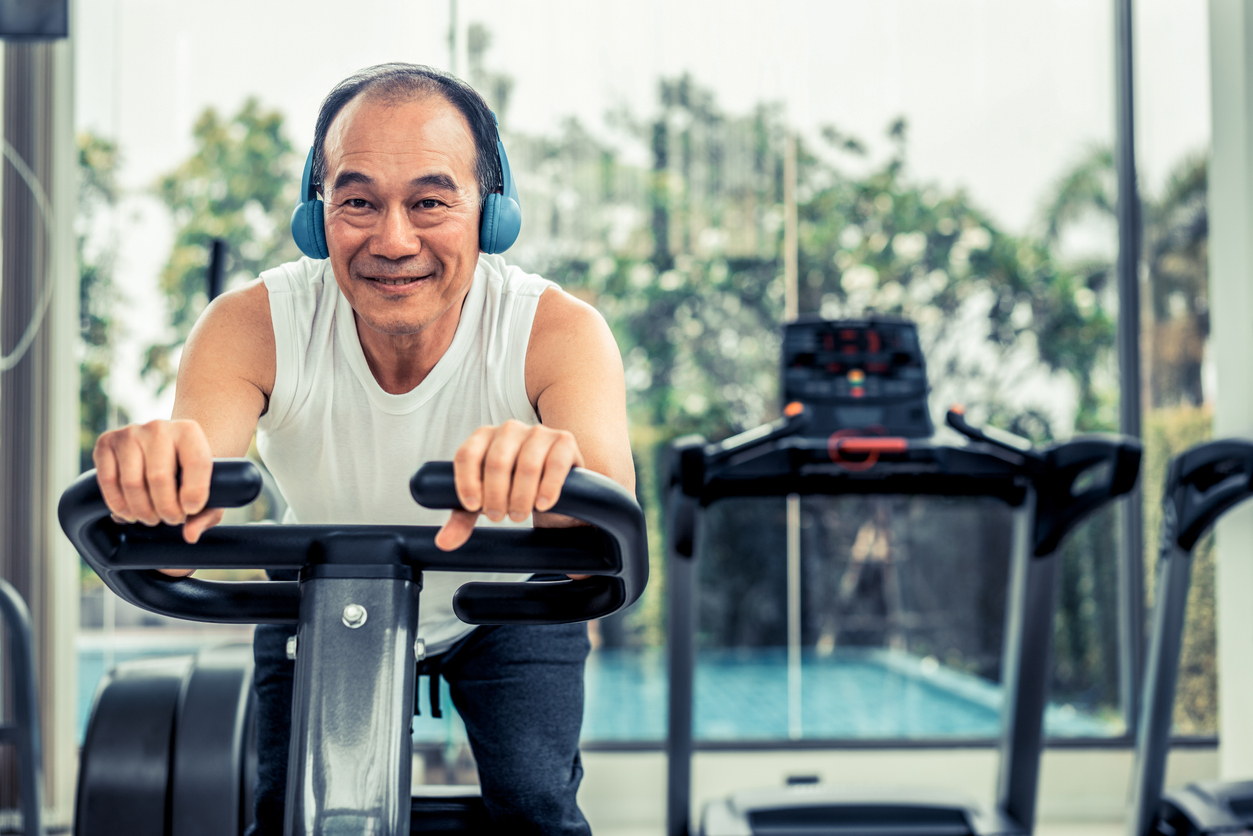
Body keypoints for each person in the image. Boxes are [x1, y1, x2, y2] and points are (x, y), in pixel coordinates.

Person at [90, 63, 633, 835]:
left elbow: (603, 553)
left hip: (510, 597)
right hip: (319, 594)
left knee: (537, 806)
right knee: (290, 818)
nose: (393, 238)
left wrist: (553, 489)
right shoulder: (252, 326)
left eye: (430, 202)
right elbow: (178, 539)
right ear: (317, 217)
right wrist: (156, 485)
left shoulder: (557, 331)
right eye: (357, 202)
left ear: (493, 212)